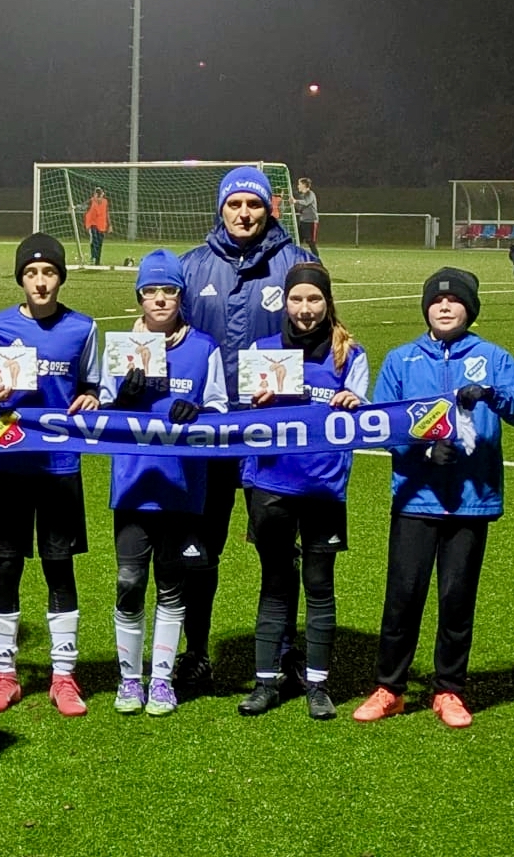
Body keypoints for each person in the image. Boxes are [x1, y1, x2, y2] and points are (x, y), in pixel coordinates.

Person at [354, 268, 514, 728]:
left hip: (471, 500)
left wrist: (494, 396)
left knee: (457, 598)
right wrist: (422, 449)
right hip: (416, 499)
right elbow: (381, 426)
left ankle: (449, 690)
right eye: (437, 301)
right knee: (403, 595)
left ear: (469, 310)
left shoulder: (492, 357)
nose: (444, 306)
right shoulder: (401, 359)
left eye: (455, 300)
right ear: (426, 308)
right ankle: (390, 689)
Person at [175, 164, 315, 692]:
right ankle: (195, 653)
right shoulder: (192, 267)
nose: (243, 213)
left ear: (268, 207)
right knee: (198, 548)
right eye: (234, 204)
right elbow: (169, 338)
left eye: (253, 204)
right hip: (207, 431)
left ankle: (283, 653)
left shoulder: (296, 263)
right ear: (221, 208)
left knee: (276, 547)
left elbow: (321, 337)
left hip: (271, 431)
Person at [0, 234, 101, 718]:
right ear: (21, 279)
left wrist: (92, 396)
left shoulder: (82, 328)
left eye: (49, 273)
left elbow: (92, 385)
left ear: (60, 278)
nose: (41, 281)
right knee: (6, 566)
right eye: (32, 273)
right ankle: (4, 674)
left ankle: (63, 676)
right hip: (8, 464)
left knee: (58, 566)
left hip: (59, 466)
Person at [235, 263, 366, 720]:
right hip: (271, 484)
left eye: (314, 299)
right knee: (275, 582)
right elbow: (243, 421)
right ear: (285, 303)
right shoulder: (263, 350)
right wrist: (255, 404)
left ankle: (318, 685)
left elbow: (367, 416)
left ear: (328, 302)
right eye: (296, 299)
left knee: (319, 585)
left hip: (323, 486)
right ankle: (265, 683)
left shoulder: (350, 355)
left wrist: (355, 403)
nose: (305, 308)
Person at [101, 250, 228, 717]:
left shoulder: (204, 348)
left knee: (172, 586)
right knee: (129, 581)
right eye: (150, 291)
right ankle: (129, 678)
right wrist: (122, 399)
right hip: (133, 485)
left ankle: (161, 680)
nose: (159, 299)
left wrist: (199, 411)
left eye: (169, 290)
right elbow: (100, 416)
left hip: (182, 488)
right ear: (139, 297)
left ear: (180, 296)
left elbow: (221, 409)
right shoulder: (120, 347)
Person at [293, 177, 321, 259]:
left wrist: (296, 201)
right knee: (298, 240)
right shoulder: (302, 196)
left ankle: (317, 259)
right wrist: (293, 203)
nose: (298, 186)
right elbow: (300, 208)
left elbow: (306, 202)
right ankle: (296, 258)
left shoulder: (310, 194)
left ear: (304, 185)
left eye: (299, 184)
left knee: (311, 242)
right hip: (303, 221)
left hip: (311, 221)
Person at [83, 187, 110, 267]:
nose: (98, 197)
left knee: (99, 243)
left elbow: (107, 213)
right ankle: (93, 258)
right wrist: (75, 207)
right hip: (93, 224)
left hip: (102, 225)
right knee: (94, 241)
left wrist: (110, 225)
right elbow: (83, 206)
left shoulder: (105, 202)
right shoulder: (91, 201)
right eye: (97, 195)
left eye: (100, 195)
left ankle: (97, 260)